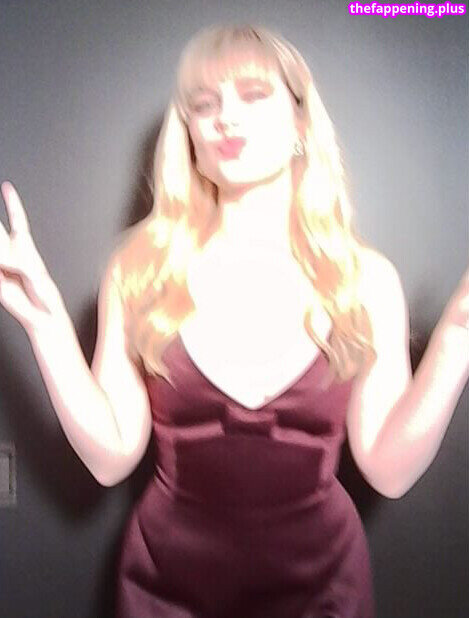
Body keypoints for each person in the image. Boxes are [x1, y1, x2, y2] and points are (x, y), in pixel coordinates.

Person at [0, 23, 468, 618]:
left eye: (253, 94)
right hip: (164, 594)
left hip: (323, 593)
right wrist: (45, 326)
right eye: (204, 103)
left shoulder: (365, 279)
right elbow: (110, 457)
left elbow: (388, 471)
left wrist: (457, 336)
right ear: (189, 133)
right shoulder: (141, 269)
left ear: (301, 123)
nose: (225, 117)